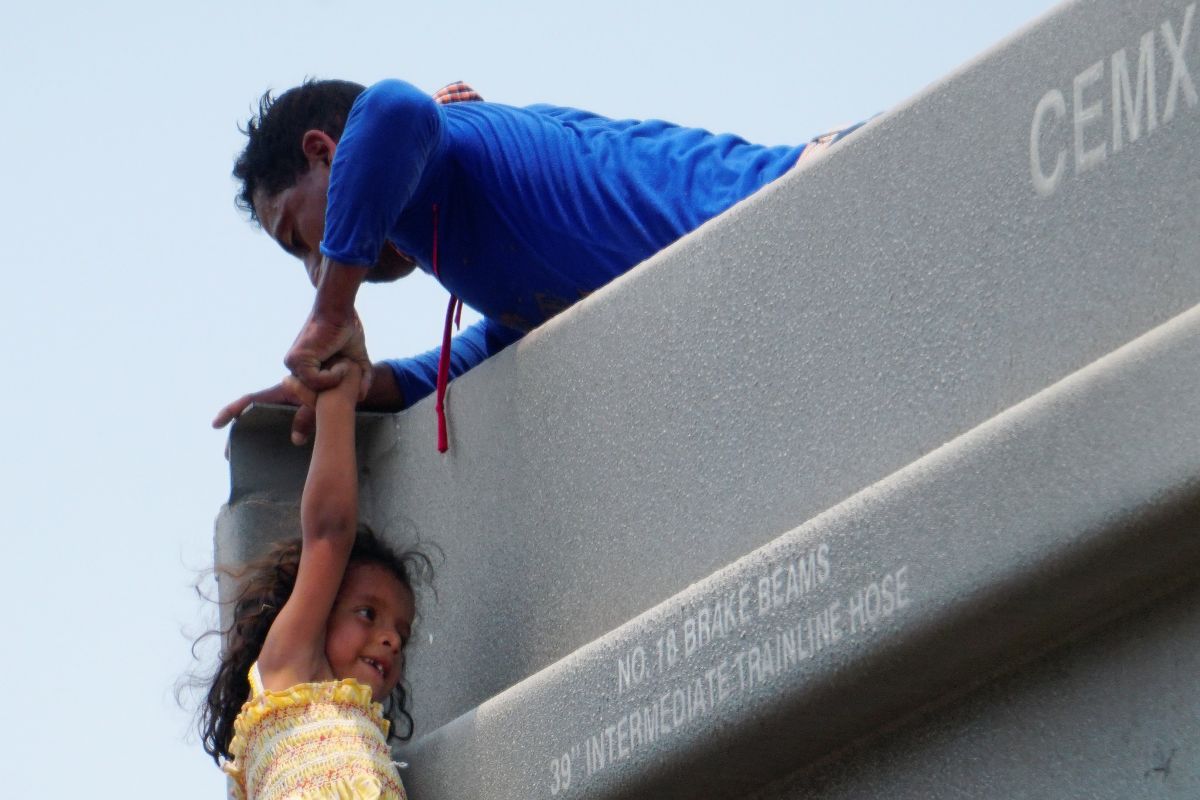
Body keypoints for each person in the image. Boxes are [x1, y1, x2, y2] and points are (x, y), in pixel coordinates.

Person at [213, 78, 862, 450]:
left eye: (298, 237)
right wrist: (363, 385)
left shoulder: (438, 143)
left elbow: (392, 111)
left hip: (826, 192)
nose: (315, 266)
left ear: (324, 152)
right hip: (790, 271)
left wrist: (332, 310)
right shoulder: (450, 237)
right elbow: (503, 341)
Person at [199, 359, 424, 799]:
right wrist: (337, 394)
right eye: (368, 613)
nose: (392, 640)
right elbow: (328, 533)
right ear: (319, 614)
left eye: (402, 632)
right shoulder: (291, 675)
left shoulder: (370, 749)